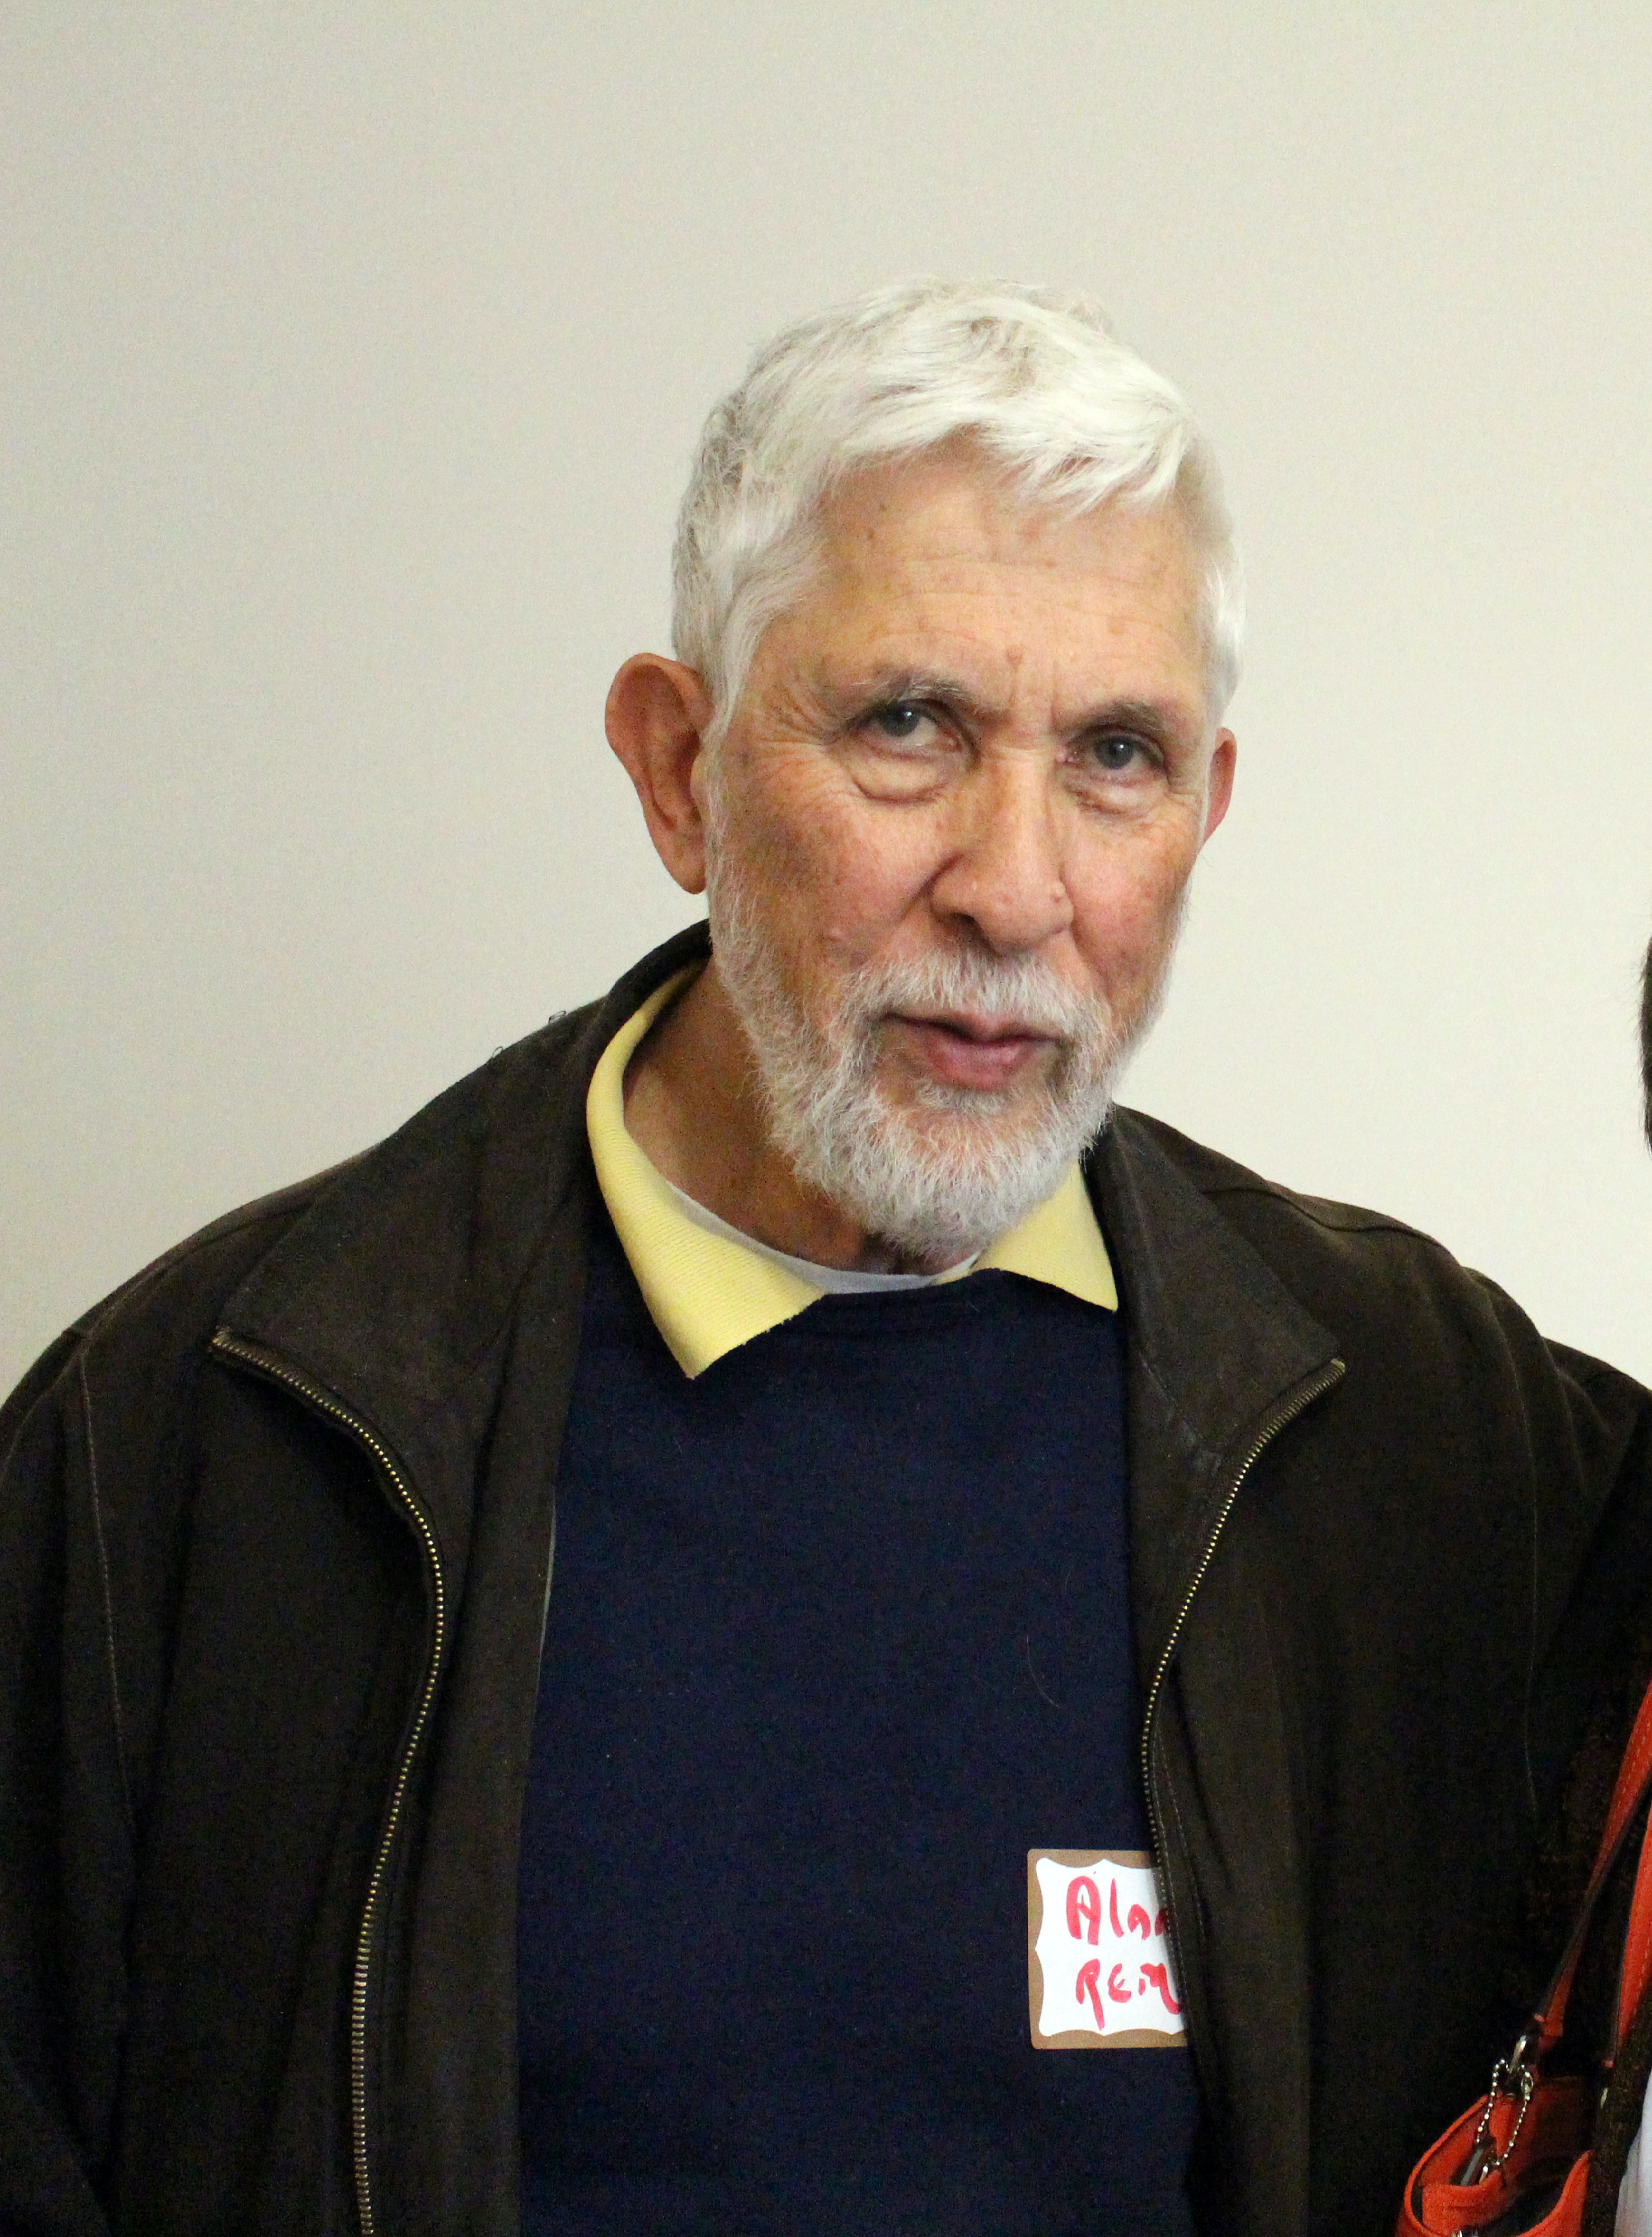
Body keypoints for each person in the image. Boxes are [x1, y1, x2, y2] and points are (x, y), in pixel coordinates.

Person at [3, 278, 1649, 2237]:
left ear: (1208, 810)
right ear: (674, 770)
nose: (1017, 885)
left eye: (1115, 755)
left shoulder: (1438, 1443)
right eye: (907, 726)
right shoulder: (193, 1453)